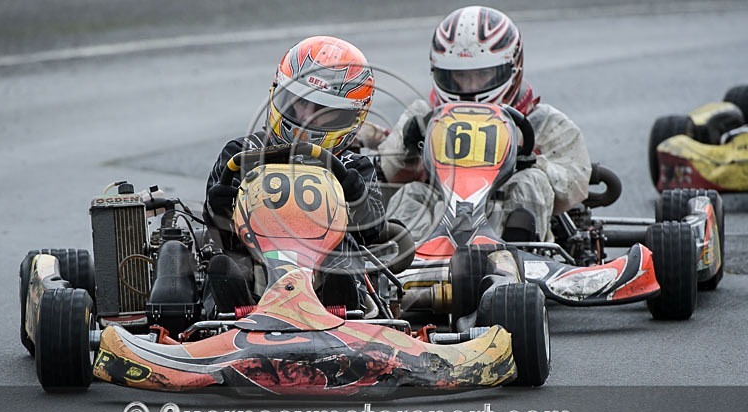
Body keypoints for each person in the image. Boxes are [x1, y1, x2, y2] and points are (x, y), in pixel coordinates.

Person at [371, 5, 592, 242]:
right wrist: (409, 147)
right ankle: (407, 269)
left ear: (512, 69)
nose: (470, 87)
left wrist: (530, 160)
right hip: (440, 217)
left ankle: (518, 261)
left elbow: (575, 186)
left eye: (482, 74)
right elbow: (385, 175)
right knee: (411, 193)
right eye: (460, 76)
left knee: (530, 183)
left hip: (507, 218)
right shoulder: (423, 114)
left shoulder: (542, 122)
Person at [204, 35, 386, 313]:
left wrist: (356, 196)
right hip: (256, 266)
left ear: (350, 118)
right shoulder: (241, 153)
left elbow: (373, 230)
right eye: (298, 102)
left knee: (343, 253)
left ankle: (342, 304)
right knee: (224, 262)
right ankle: (234, 307)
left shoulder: (353, 167)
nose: (306, 116)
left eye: (323, 111)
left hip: (326, 272)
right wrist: (219, 207)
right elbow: (214, 227)